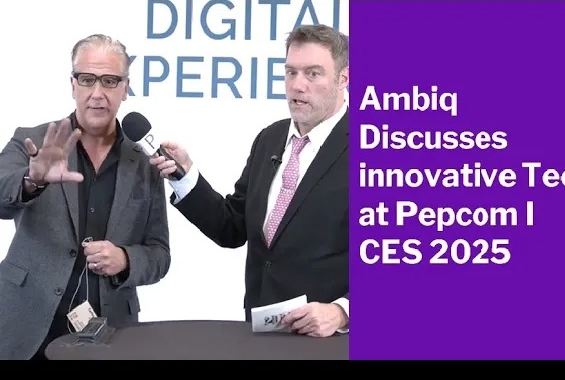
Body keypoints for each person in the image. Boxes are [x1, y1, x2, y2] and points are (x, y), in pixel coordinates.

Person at [150, 24, 349, 337]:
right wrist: (185, 175)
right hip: (260, 337)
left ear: (343, 79)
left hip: (329, 343)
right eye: (291, 72)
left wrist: (342, 312)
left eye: (313, 74)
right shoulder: (270, 139)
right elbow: (232, 228)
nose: (297, 85)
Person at [0, 34, 171, 360]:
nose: (97, 93)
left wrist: (125, 260)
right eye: (87, 79)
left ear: (125, 88)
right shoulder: (34, 141)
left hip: (111, 334)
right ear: (73, 85)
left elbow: (160, 255)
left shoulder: (145, 162)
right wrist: (32, 180)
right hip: (26, 326)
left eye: (109, 81)